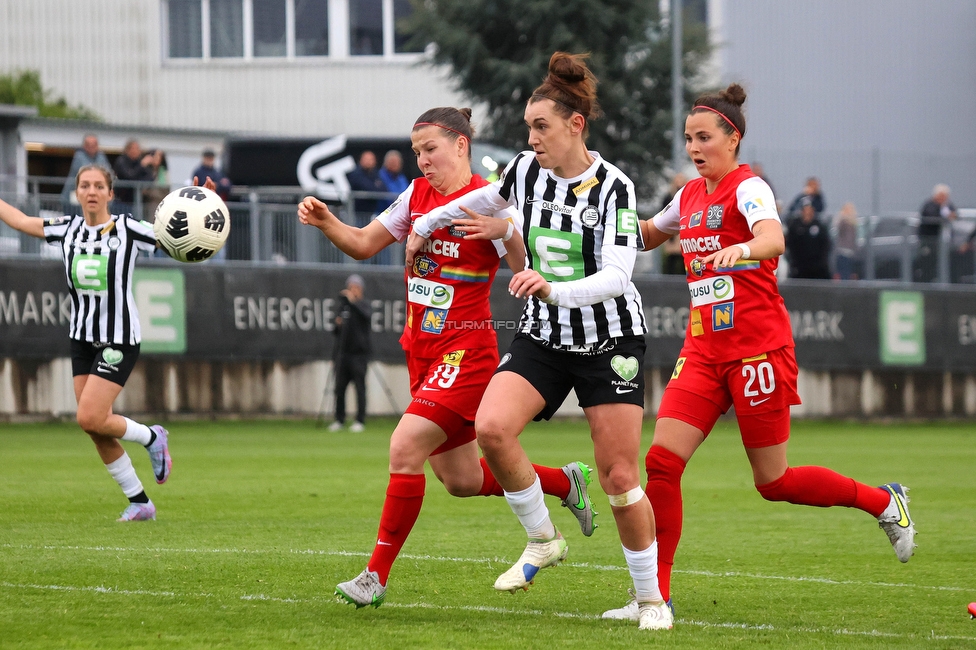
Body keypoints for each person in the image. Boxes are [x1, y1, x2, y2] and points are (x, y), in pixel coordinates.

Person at [602, 83, 916, 625]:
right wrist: (597, 223)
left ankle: (884, 501)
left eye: (704, 138)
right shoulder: (691, 195)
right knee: (660, 463)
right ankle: (654, 595)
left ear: (733, 138)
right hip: (703, 350)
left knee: (773, 482)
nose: (694, 148)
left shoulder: (749, 189)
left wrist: (742, 247)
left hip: (756, 353)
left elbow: (773, 238)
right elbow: (648, 234)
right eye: (688, 139)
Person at [405, 52, 673, 631]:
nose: (531, 138)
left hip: (610, 339)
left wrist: (552, 288)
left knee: (621, 477)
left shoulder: (615, 188)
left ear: (575, 125)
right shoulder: (526, 171)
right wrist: (424, 225)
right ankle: (542, 538)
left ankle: (649, 600)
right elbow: (482, 200)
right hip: (544, 336)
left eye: (540, 126)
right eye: (529, 126)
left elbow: (618, 275)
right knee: (491, 429)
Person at [298, 106, 596, 609]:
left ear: (460, 144)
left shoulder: (491, 199)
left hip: (467, 348)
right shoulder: (415, 197)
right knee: (462, 480)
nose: (422, 162)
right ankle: (561, 481)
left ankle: (375, 576)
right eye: (416, 152)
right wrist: (328, 221)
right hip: (422, 352)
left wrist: (505, 233)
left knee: (403, 448)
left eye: (430, 149)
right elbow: (364, 245)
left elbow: (525, 267)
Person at [0, 165, 173, 522]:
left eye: (98, 186)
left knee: (90, 415)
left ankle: (151, 438)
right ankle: (139, 501)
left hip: (119, 338)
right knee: (93, 425)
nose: (91, 191)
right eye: (84, 185)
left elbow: (173, 239)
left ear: (111, 194)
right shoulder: (67, 229)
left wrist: (205, 203)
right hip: (82, 338)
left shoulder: (127, 229)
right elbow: (18, 220)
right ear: (76, 193)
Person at [328, 274, 371, 433]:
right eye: (350, 287)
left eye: (356, 288)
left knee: (360, 388)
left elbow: (366, 317)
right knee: (339, 388)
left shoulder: (364, 306)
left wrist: (352, 302)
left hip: (359, 355)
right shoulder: (344, 308)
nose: (353, 291)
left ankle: (360, 420)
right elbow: (336, 333)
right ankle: (339, 419)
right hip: (342, 355)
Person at [916, 183, 957, 283]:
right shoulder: (929, 205)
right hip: (930, 241)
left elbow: (955, 214)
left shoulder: (948, 205)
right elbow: (932, 216)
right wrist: (945, 216)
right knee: (928, 264)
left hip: (943, 243)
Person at [61, 134, 110, 216]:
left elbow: (107, 172)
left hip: (91, 199)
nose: (91, 147)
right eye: (88, 144)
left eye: (94, 144)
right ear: (84, 146)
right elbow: (86, 171)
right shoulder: (79, 156)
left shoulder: (101, 156)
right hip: (72, 198)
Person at [112, 139, 162, 218]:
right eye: (134, 148)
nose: (137, 151)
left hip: (137, 201)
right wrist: (142, 164)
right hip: (122, 202)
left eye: (138, 148)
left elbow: (149, 177)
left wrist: (152, 167)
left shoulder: (138, 162)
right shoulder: (121, 161)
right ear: (127, 149)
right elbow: (129, 176)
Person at [785, 196, 831, 279]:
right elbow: (789, 244)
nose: (807, 212)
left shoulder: (819, 226)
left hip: (817, 268)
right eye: (805, 209)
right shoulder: (795, 226)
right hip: (798, 267)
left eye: (810, 209)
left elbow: (826, 245)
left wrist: (822, 263)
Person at [346, 150, 385, 228]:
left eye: (371, 160)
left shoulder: (376, 173)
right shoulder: (356, 174)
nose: (369, 162)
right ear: (361, 160)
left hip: (372, 214)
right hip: (357, 214)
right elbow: (367, 187)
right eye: (366, 159)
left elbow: (384, 189)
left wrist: (374, 188)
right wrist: (374, 187)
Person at [659, 173, 687, 276]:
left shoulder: (687, 194)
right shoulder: (669, 197)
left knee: (684, 255)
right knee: (671, 256)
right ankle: (669, 278)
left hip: (683, 227)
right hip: (672, 228)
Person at [832, 202, 860, 280]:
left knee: (848, 274)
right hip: (843, 252)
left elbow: (854, 240)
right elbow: (839, 231)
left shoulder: (853, 224)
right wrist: (842, 217)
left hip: (850, 253)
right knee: (844, 275)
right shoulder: (843, 222)